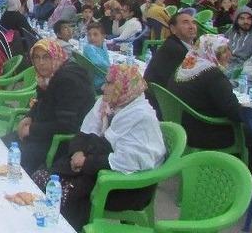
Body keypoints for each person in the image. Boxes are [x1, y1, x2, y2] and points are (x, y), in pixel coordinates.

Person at [33, 64, 165, 231]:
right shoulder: (109, 104)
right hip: (100, 166)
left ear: (123, 86)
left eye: (109, 83)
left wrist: (86, 162)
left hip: (127, 185)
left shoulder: (141, 117)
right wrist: (78, 152)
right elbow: (84, 132)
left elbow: (127, 161)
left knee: (68, 193)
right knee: (47, 178)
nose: (103, 87)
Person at [12, 39, 95, 174]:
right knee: (2, 144)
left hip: (61, 142)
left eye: (46, 57)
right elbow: (41, 102)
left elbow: (67, 125)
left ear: (55, 56)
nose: (41, 63)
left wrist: (31, 130)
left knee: (9, 156)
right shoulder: (50, 76)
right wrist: (28, 117)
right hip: (45, 131)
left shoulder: (67, 80)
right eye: (37, 58)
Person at [168, 35, 241, 149]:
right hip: (205, 133)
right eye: (224, 51)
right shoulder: (213, 75)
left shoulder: (186, 66)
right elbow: (235, 112)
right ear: (211, 52)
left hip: (182, 126)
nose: (230, 55)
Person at [143, 11, 197, 113]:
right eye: (185, 23)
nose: (192, 26)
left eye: (193, 23)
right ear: (173, 29)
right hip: (165, 106)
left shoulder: (179, 45)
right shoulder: (175, 50)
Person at [224, 6, 252, 73]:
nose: (246, 21)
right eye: (242, 18)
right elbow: (221, 43)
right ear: (236, 20)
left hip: (241, 68)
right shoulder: (232, 31)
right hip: (224, 63)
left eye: (249, 19)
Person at [83, 24, 110, 88]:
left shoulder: (103, 45)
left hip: (105, 78)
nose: (92, 37)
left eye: (95, 34)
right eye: (89, 35)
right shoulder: (89, 47)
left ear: (103, 36)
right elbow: (99, 63)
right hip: (98, 83)